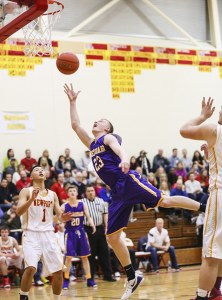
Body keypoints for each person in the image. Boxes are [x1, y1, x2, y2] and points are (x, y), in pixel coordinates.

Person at [64, 83, 206, 300]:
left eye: (101, 121)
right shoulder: (92, 144)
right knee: (112, 237)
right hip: (118, 192)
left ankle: (204, 207)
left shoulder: (108, 138)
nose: (96, 121)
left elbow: (120, 150)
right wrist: (72, 102)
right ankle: (132, 276)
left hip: (128, 180)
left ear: (107, 128)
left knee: (165, 202)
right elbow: (75, 125)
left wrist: (123, 160)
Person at [180, 97, 222, 300]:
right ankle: (215, 292)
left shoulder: (214, 129)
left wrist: (202, 116)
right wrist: (211, 156)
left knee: (211, 253)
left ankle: (202, 297)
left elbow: (184, 129)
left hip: (220, 195)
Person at [16, 165, 72, 300]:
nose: (40, 171)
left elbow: (59, 214)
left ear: (46, 176)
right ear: (31, 177)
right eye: (36, 170)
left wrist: (63, 218)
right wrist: (31, 199)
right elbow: (19, 211)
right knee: (30, 268)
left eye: (42, 170)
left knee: (58, 272)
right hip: (31, 234)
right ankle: (23, 297)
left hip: (48, 234)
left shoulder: (53, 194)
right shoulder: (26, 191)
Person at [61, 185, 96, 289]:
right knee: (68, 258)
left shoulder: (82, 204)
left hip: (81, 232)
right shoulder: (64, 206)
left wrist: (92, 225)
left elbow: (89, 217)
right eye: (70, 191)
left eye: (74, 191)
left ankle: (90, 279)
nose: (72, 192)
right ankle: (66, 280)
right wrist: (62, 223)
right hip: (70, 233)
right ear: (68, 194)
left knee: (85, 257)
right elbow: (60, 219)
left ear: (77, 193)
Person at [82, 185, 116, 282]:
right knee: (90, 254)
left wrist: (107, 227)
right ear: (85, 193)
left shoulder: (101, 201)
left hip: (100, 228)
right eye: (88, 191)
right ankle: (91, 277)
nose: (90, 192)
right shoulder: (82, 203)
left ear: (94, 191)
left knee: (104, 253)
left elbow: (105, 214)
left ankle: (108, 275)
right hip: (87, 229)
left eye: (92, 190)